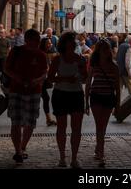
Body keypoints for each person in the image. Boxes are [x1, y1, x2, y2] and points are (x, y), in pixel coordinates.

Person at [4, 29, 48, 164]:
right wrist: (17, 78)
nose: (38, 43)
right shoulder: (16, 51)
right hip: (16, 90)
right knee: (16, 121)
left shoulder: (41, 55)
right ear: (28, 40)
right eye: (36, 41)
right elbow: (7, 68)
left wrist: (35, 81)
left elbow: (45, 73)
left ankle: (22, 147)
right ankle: (18, 151)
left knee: (30, 122)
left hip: (34, 91)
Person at [47, 31, 88, 168]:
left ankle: (74, 158)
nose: (73, 42)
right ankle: (62, 157)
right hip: (61, 94)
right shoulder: (58, 59)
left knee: (76, 128)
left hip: (76, 94)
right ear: (64, 44)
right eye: (70, 40)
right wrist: (66, 79)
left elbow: (85, 77)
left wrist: (82, 70)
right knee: (62, 127)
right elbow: (50, 78)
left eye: (73, 41)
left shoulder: (80, 58)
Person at [85, 39, 121, 167]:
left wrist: (117, 105)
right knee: (99, 126)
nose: (105, 52)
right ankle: (101, 153)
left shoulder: (114, 66)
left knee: (102, 126)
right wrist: (86, 103)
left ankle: (99, 149)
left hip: (108, 98)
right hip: (95, 97)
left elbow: (118, 88)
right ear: (98, 51)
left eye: (106, 49)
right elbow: (88, 83)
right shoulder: (94, 65)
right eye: (102, 49)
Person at [40, 38, 57, 126]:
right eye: (48, 43)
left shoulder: (46, 54)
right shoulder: (42, 54)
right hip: (38, 81)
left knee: (46, 98)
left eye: (51, 43)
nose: (50, 45)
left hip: (41, 81)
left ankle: (48, 119)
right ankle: (48, 119)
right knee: (45, 98)